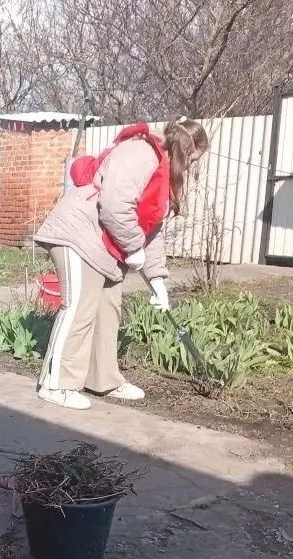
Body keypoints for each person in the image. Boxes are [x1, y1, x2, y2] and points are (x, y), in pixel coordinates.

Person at [33, 118, 209, 410]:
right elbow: (115, 205)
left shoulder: (162, 170)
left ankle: (103, 380)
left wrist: (157, 281)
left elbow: (151, 230)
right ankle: (56, 384)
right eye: (192, 160)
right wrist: (133, 247)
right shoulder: (141, 153)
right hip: (78, 235)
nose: (191, 167)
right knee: (78, 308)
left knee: (108, 310)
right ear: (184, 150)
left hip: (104, 246)